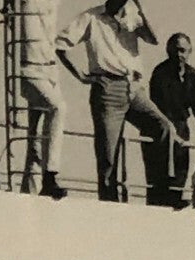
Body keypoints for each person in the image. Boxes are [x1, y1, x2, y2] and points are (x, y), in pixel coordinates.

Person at [56, 0, 180, 205]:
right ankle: (109, 203)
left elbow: (153, 39)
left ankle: (161, 193)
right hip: (107, 87)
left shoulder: (133, 15)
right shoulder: (91, 17)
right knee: (108, 155)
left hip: (133, 87)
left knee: (163, 127)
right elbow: (61, 44)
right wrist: (81, 76)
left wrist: (139, 8)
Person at [146, 33, 195, 210]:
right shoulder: (160, 73)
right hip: (158, 126)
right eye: (175, 50)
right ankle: (156, 204)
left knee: (180, 167)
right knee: (158, 171)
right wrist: (169, 128)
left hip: (181, 126)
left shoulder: (193, 76)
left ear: (190, 52)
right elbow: (156, 105)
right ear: (168, 51)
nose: (179, 54)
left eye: (183, 50)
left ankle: (175, 200)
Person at [15, 0, 68, 198]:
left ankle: (29, 188)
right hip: (29, 67)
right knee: (58, 108)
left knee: (36, 135)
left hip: (50, 69)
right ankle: (50, 175)